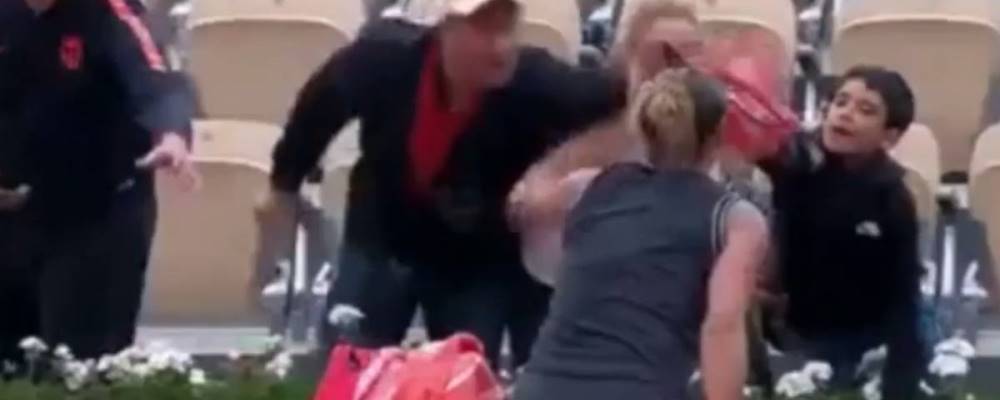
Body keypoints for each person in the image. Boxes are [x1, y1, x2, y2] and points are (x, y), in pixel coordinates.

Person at [257, 0, 625, 366]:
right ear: (445, 28)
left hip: (474, 260)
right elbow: (317, 109)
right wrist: (283, 185)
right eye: (483, 28)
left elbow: (621, 107)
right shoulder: (383, 58)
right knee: (350, 366)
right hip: (381, 235)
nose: (500, 45)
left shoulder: (536, 82)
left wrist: (551, 170)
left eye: (506, 27)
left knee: (464, 375)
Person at [513, 69, 769, 400]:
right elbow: (722, 326)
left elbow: (530, 212)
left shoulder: (586, 188)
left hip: (541, 386)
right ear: (718, 134)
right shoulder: (735, 219)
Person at [0, 0, 196, 361]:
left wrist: (172, 134)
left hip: (98, 213)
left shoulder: (110, 13)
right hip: (13, 217)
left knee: (79, 365)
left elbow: (159, 82)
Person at [760, 65, 923, 399]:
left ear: (889, 136)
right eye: (841, 102)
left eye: (866, 110)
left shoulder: (891, 196)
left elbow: (904, 293)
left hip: (862, 335)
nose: (846, 114)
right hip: (791, 331)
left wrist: (900, 378)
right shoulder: (795, 164)